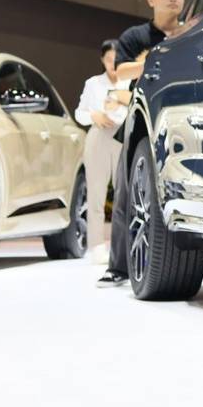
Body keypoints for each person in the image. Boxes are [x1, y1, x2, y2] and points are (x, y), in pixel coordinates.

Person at [97, 0, 196, 288]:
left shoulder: (191, 32)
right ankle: (118, 267)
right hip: (141, 119)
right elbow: (121, 72)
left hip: (179, 118)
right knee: (127, 193)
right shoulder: (135, 36)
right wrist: (158, 55)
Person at [74, 40, 126, 261]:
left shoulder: (129, 83)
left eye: (116, 59)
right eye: (108, 59)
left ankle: (123, 246)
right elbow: (79, 113)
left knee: (124, 193)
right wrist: (93, 116)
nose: (112, 64)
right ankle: (96, 246)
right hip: (98, 136)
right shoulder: (93, 83)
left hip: (123, 136)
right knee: (96, 193)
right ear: (102, 60)